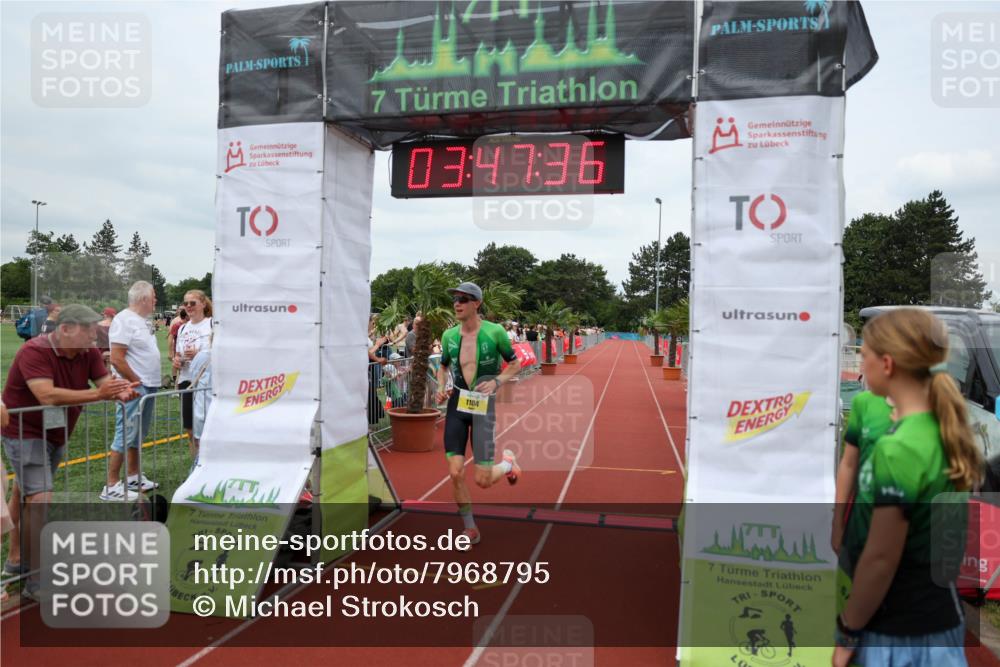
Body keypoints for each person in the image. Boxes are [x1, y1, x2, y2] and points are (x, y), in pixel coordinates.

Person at [835, 308, 984, 667]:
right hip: (938, 618)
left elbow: (881, 559)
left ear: (887, 364)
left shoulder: (898, 446)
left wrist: (848, 630)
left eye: (865, 355)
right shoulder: (941, 426)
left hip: (899, 630)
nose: (861, 363)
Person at [1, 305, 135, 596]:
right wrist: (99, 394)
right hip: (25, 432)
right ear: (65, 329)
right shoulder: (34, 351)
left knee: (25, 493)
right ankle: (37, 580)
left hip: (56, 433)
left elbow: (105, 384)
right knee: (40, 497)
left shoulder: (87, 354)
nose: (95, 336)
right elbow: (46, 395)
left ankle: (15, 562)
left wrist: (120, 391)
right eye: (89, 331)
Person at [434, 282, 522, 545]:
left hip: (483, 408)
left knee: (483, 480)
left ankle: (507, 464)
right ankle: (470, 528)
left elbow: (516, 364)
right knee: (455, 472)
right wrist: (441, 387)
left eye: (463, 298)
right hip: (457, 406)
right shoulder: (449, 336)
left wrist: (496, 381)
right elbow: (443, 367)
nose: (457, 303)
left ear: (477, 303)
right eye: (455, 299)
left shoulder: (495, 332)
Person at [101, 282, 162, 501]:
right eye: (153, 296)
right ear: (143, 298)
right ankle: (111, 484)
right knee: (125, 433)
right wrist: (135, 381)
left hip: (147, 385)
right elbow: (117, 357)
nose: (156, 300)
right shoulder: (124, 319)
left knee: (137, 434)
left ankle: (133, 476)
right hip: (134, 387)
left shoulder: (141, 321)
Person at [831, 388, 894, 552]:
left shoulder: (934, 406)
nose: (862, 367)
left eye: (867, 360)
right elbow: (849, 464)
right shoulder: (863, 402)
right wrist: (837, 523)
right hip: (862, 529)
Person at [173, 291, 212, 458]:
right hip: (186, 380)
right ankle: (196, 467)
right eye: (186, 303)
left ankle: (210, 466)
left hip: (206, 382)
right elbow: (177, 354)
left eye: (193, 303)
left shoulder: (212, 324)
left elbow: (219, 352)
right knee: (191, 430)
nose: (188, 306)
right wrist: (176, 361)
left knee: (208, 429)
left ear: (203, 304)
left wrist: (200, 354)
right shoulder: (182, 327)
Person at [167, 307, 188, 382]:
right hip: (178, 350)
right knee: (176, 366)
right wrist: (170, 352)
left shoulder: (189, 324)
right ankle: (175, 382)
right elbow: (170, 336)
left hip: (187, 351)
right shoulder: (177, 324)